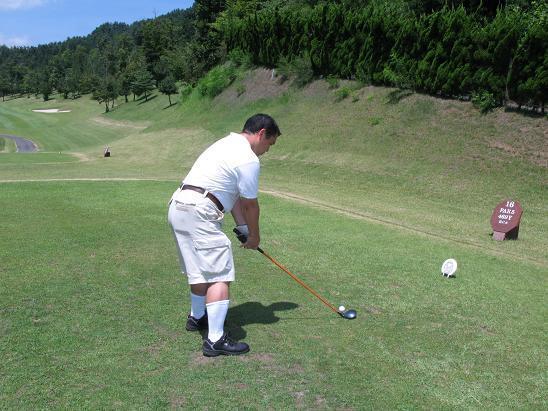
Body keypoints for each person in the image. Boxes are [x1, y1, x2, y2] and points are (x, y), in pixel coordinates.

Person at [168, 114, 281, 357]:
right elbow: (250, 204)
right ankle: (215, 340)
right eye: (269, 144)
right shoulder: (248, 159)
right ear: (261, 133)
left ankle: (197, 317)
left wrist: (242, 228)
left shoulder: (225, 144)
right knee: (219, 275)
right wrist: (254, 237)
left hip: (179, 206)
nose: (267, 151)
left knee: (199, 270)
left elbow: (233, 196)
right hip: (201, 210)